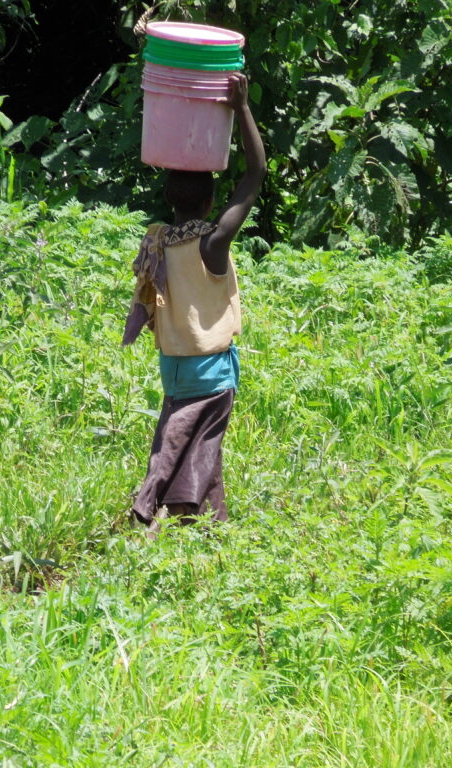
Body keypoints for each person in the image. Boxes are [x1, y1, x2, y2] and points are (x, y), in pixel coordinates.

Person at [123, 72, 265, 537]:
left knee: (195, 442)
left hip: (174, 368)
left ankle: (211, 525)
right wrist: (240, 106)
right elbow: (255, 173)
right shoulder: (212, 245)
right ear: (209, 202)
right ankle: (151, 505)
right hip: (212, 372)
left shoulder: (159, 243)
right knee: (194, 446)